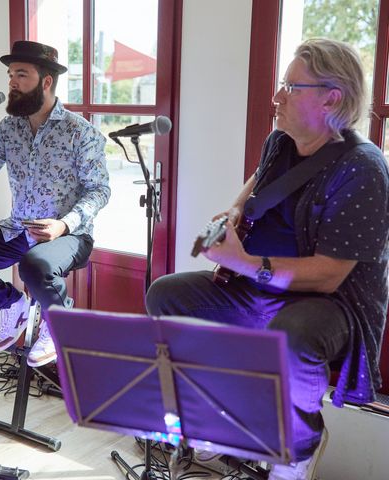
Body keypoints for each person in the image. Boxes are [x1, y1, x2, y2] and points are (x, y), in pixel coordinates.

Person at [146, 38, 389, 479]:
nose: (276, 96)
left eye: (290, 87)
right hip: (257, 286)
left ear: (331, 97)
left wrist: (242, 262)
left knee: (292, 335)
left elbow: (330, 277)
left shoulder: (363, 167)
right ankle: (215, 422)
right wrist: (236, 211)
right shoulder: (281, 141)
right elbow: (259, 180)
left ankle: (297, 447)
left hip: (330, 305)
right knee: (166, 295)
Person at [0, 41, 110, 367]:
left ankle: (58, 324)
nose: (12, 82)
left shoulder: (80, 132)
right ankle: (10, 305)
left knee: (33, 265)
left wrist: (64, 224)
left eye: (21, 74)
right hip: (18, 229)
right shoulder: (9, 128)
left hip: (68, 235)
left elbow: (99, 191)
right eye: (10, 75)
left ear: (46, 81)